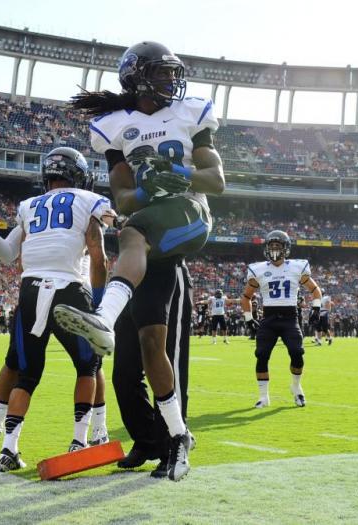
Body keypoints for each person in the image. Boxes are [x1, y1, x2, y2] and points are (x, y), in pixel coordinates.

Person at [53, 41, 224, 481]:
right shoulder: (115, 127)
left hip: (188, 215)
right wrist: (146, 190)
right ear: (139, 77)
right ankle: (148, 440)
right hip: (143, 242)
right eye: (164, 73)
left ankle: (173, 444)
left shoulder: (190, 113)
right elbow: (124, 197)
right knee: (129, 364)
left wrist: (178, 174)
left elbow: (216, 181)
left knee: (131, 236)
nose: (173, 81)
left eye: (173, 73)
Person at [0, 146, 111, 471]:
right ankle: (80, 440)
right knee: (88, 366)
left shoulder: (28, 205)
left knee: (27, 373)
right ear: (79, 175)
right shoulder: (89, 200)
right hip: (69, 289)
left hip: (31, 289)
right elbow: (98, 254)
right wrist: (100, 302)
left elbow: (8, 254)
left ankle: (8, 449)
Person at [240, 230, 323, 409]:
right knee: (261, 355)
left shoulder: (296, 267)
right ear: (266, 248)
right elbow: (246, 296)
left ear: (286, 248)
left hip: (289, 318)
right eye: (271, 246)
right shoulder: (259, 269)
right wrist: (249, 318)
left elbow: (315, 290)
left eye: (278, 246)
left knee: (297, 353)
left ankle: (296, 387)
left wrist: (316, 308)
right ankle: (263, 397)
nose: (275, 249)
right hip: (268, 319)